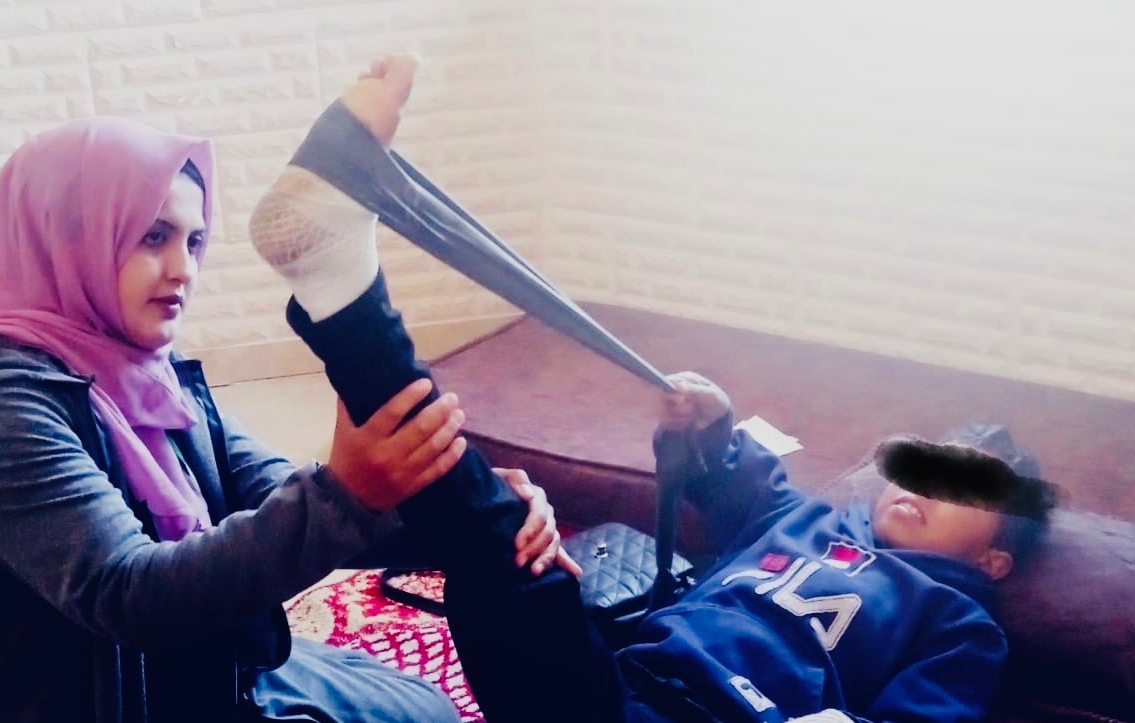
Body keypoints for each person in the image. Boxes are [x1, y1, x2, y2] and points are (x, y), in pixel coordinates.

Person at [247, 54, 1060, 723]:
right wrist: (712, 424)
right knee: (503, 539)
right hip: (615, 687)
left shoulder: (959, 624)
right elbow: (738, 484)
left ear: (994, 556)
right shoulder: (810, 520)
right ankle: (336, 285)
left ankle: (341, 294)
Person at [0, 86, 580, 723]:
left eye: (194, 240)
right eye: (152, 236)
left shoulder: (141, 374)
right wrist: (350, 496)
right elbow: (129, 594)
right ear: (67, 235)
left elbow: (274, 490)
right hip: (107, 700)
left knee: (425, 709)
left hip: (198, 669)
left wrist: (469, 504)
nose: (184, 269)